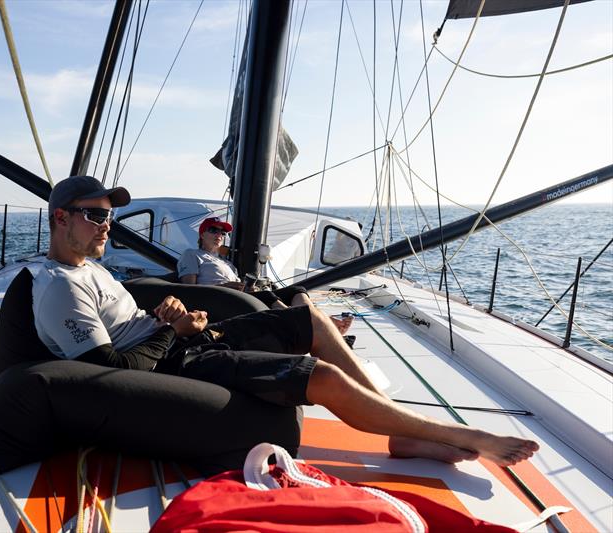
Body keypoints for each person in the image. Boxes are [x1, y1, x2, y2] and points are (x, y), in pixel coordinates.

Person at [33, 175, 539, 467]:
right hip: (176, 364)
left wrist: (176, 316)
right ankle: (461, 436)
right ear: (61, 218)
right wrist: (174, 330)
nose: (107, 226)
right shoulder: (59, 287)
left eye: (108, 217)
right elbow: (105, 372)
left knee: (309, 319)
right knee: (320, 376)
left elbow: (128, 330)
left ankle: (403, 432)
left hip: (184, 339)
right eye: (96, 216)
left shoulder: (88, 269)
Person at [178, 217, 353, 334]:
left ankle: (320, 318)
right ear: (202, 234)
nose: (219, 235)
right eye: (213, 230)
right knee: (268, 296)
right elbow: (189, 290)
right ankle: (315, 325)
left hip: (239, 295)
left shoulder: (226, 262)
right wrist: (224, 287)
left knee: (295, 290)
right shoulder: (191, 254)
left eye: (223, 233)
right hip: (220, 300)